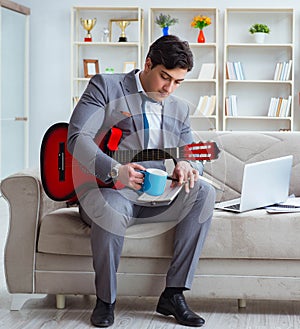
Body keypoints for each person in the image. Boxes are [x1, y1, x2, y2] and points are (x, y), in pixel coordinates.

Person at [67, 35, 216, 328]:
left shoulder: (179, 108)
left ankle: (173, 294)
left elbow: (191, 152)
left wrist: (186, 163)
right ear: (148, 64)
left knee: (203, 192)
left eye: (177, 82)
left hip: (156, 198)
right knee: (108, 209)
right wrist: (114, 170)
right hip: (109, 192)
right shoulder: (106, 86)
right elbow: (77, 138)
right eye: (164, 77)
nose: (169, 88)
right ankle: (106, 300)